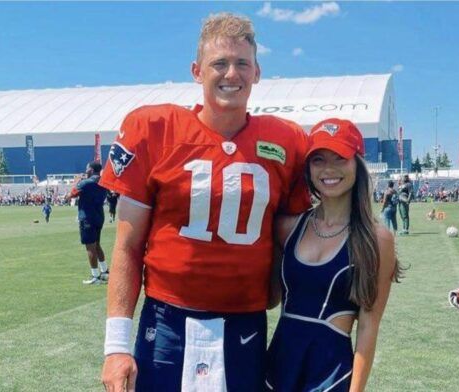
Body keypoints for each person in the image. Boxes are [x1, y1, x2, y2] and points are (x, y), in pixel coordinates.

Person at [99, 13, 311, 392]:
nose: (232, 74)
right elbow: (128, 246)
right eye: (220, 63)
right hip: (167, 319)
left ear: (257, 72)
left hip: (246, 321)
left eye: (242, 63)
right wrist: (115, 346)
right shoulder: (156, 129)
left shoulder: (287, 141)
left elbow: (293, 236)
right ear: (197, 71)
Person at [266, 119, 400, 391]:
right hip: (278, 366)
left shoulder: (377, 239)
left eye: (340, 158)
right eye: (318, 160)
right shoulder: (287, 228)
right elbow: (269, 300)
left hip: (330, 375)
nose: (329, 169)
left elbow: (368, 326)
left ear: (357, 164)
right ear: (308, 169)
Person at [67, 161, 109, 285]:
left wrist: (77, 181)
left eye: (87, 168)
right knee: (97, 244)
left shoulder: (85, 183)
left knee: (90, 246)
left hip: (87, 217)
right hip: (99, 215)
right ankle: (105, 270)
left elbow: (71, 195)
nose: (86, 170)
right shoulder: (103, 182)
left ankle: (95, 276)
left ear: (91, 169)